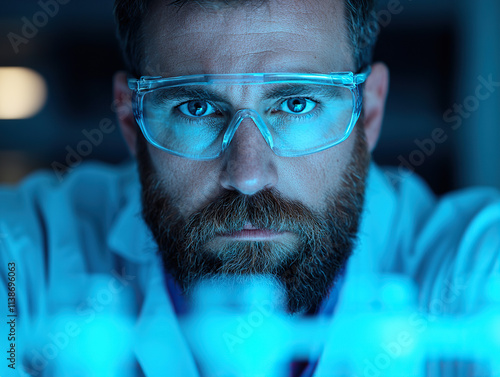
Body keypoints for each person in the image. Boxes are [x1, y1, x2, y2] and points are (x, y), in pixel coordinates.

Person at [1, 0, 499, 376]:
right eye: (195, 108)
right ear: (131, 120)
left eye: (297, 104)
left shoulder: (472, 270)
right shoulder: (29, 258)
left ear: (367, 110)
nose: (247, 174)